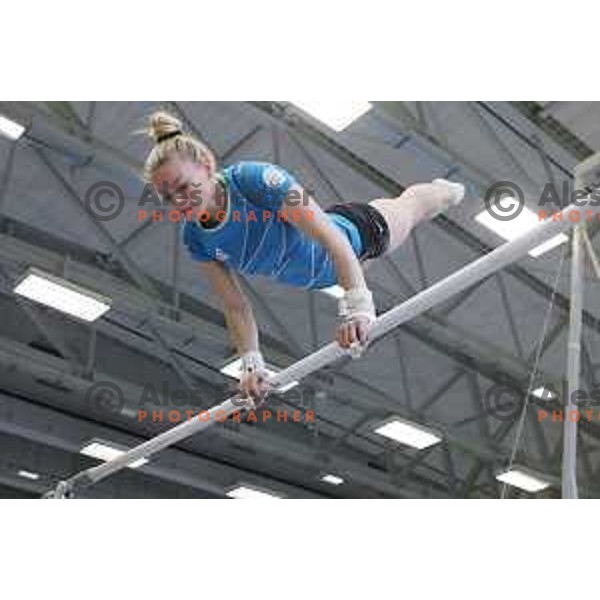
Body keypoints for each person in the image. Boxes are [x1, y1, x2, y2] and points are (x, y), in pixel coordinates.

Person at [143, 111, 465, 404]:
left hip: (355, 236)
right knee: (402, 211)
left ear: (208, 167)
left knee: (411, 207)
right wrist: (252, 365)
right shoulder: (195, 238)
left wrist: (358, 309)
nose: (179, 201)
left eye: (184, 187)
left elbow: (330, 237)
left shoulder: (256, 180)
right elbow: (235, 306)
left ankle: (445, 191)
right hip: (327, 270)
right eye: (167, 197)